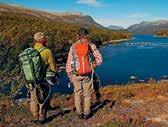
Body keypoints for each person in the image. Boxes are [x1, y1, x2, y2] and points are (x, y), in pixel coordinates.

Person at [66, 28, 103, 119]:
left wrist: (70, 76)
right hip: (87, 74)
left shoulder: (73, 46)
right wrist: (93, 65)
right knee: (87, 94)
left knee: (78, 94)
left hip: (75, 74)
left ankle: (79, 113)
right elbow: (100, 59)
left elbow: (68, 63)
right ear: (86, 35)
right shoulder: (91, 45)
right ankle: (87, 113)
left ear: (78, 35)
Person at [29, 32, 57, 125]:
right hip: (43, 80)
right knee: (44, 98)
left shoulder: (30, 51)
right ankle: (42, 118)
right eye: (45, 38)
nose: (46, 40)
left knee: (33, 99)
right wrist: (54, 75)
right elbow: (53, 67)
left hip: (31, 81)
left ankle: (35, 117)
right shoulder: (47, 51)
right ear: (41, 40)